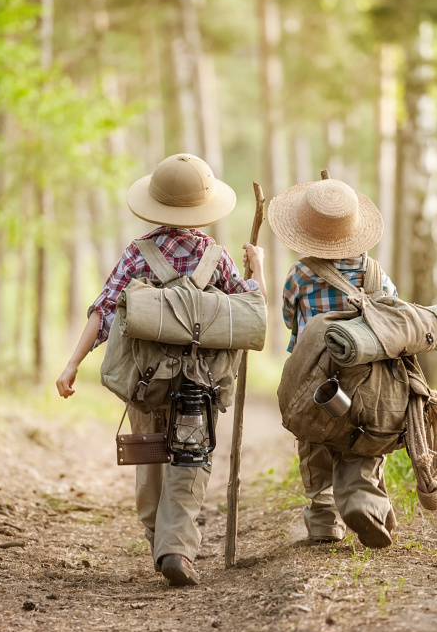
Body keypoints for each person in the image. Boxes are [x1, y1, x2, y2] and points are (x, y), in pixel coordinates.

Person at [56, 153, 266, 586]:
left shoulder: (138, 253)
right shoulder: (218, 258)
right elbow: (250, 313)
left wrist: (73, 363)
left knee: (150, 456)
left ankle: (157, 534)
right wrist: (257, 269)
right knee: (190, 461)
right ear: (202, 210)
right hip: (199, 383)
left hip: (144, 381)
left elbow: (103, 311)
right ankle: (176, 548)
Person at [267, 177, 399, 547]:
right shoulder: (377, 275)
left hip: (317, 377)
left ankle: (324, 517)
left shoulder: (300, 275)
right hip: (370, 377)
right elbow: (391, 315)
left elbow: (290, 321)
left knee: (315, 439)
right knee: (365, 438)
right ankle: (362, 500)